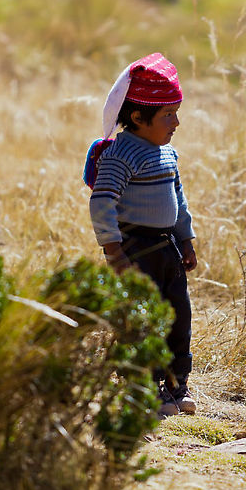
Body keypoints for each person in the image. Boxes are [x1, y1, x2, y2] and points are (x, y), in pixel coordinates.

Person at [87, 52, 197, 417]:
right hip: (137, 251)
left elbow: (178, 200)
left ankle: (175, 384)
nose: (176, 122)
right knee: (142, 319)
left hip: (167, 250)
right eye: (168, 114)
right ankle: (142, 387)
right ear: (138, 117)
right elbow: (102, 203)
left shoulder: (167, 154)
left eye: (176, 112)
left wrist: (186, 240)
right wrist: (114, 253)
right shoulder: (121, 156)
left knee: (178, 315)